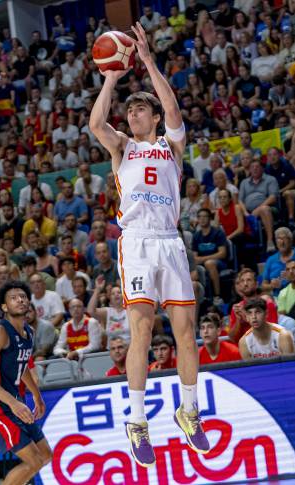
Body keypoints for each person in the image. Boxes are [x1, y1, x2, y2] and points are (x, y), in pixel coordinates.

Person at [88, 23, 208, 466]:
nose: (133, 115)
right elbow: (95, 123)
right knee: (141, 330)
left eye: (140, 111)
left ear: (153, 118)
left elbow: (174, 108)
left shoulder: (170, 146)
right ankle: (136, 420)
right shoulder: (122, 148)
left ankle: (189, 410)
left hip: (170, 241)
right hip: (136, 242)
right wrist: (111, 78)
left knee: (185, 334)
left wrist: (150, 63)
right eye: (132, 111)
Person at [0, 281, 52, 484]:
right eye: (13, 297)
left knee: (45, 455)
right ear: (4, 307)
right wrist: (13, 402)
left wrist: (36, 394)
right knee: (34, 461)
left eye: (23, 296)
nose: (20, 299)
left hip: (13, 402)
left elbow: (23, 365)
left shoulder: (28, 331)